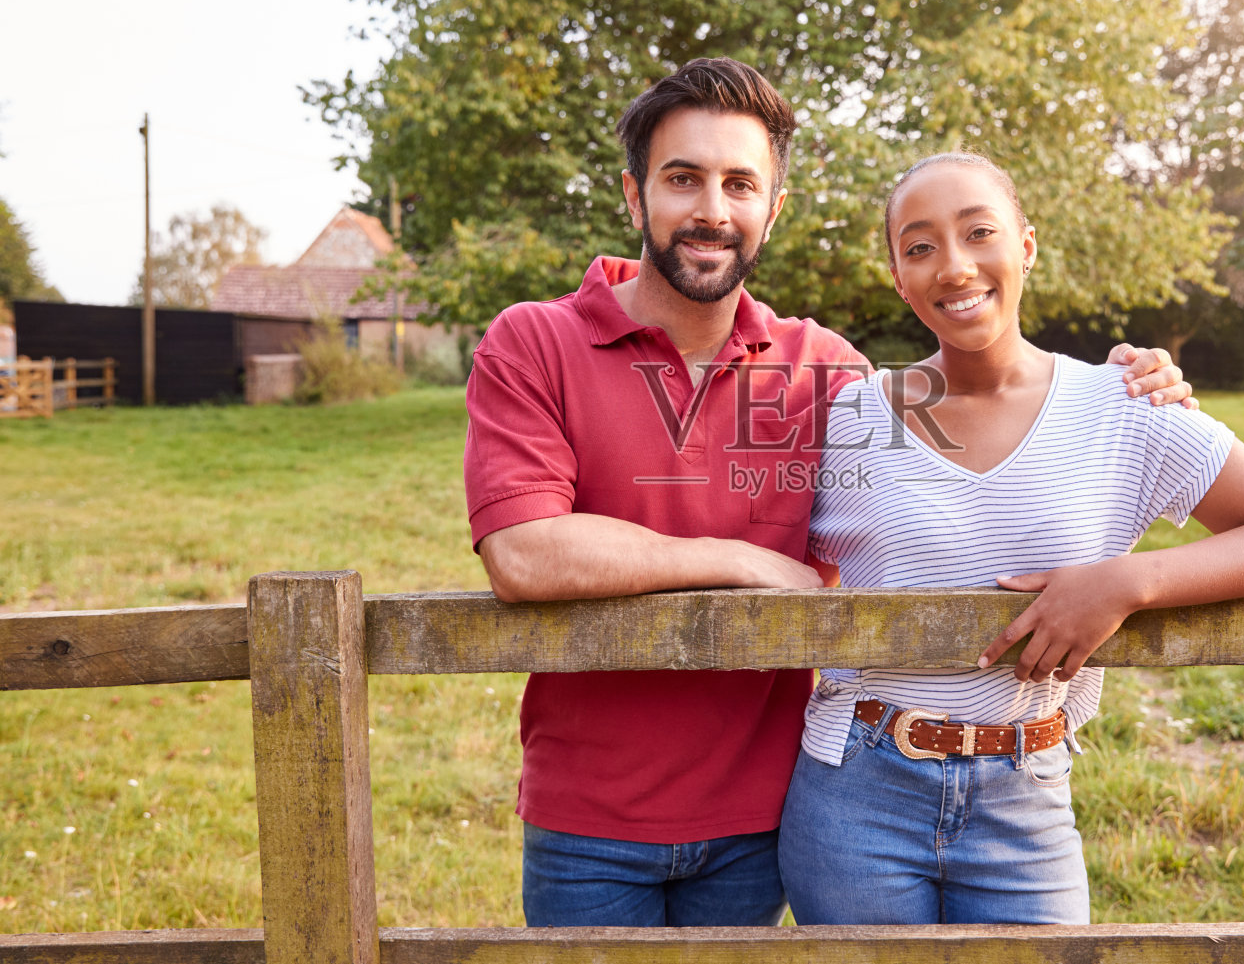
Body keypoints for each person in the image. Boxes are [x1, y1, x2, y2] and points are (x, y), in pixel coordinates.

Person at [463, 60, 1194, 928]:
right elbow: (521, 552)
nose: (711, 209)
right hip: (588, 814)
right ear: (635, 195)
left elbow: (971, 464)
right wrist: (742, 560)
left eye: (740, 183)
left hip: (765, 811)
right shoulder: (533, 341)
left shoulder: (826, 372)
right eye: (682, 178)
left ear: (773, 210)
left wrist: (1127, 385)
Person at [777, 152, 1244, 926]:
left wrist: (1124, 583)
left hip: (1026, 789)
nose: (954, 265)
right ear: (897, 277)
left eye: (979, 232)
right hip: (856, 790)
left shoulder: (1124, 403)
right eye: (920, 247)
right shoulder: (850, 419)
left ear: (1027, 246)